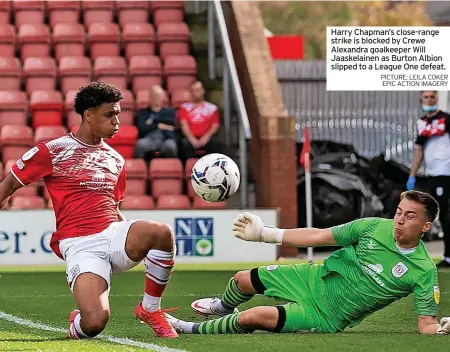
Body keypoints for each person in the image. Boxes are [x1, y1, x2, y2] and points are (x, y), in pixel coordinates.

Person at [0, 82, 178, 338]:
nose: (116, 121)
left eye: (118, 114)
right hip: (80, 244)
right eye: (109, 115)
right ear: (88, 115)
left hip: (113, 233)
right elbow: (6, 186)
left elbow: (114, 208)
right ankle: (79, 320)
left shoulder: (115, 159)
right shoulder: (53, 151)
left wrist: (129, 239)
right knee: (94, 323)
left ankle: (150, 309)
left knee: (161, 232)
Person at [166, 190, 450, 336]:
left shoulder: (423, 271)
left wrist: (439, 330)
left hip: (326, 315)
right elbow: (319, 235)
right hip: (313, 277)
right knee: (242, 279)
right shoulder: (373, 227)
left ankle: (185, 327)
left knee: (251, 318)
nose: (399, 221)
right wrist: (266, 234)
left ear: (426, 227)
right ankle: (221, 307)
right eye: (399, 212)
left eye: (410, 217)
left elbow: (426, 324)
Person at [407, 90, 450, 268]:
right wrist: (412, 174)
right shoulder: (421, 123)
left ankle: (448, 256)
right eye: (426, 97)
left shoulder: (446, 119)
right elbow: (419, 150)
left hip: (446, 172)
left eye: (432, 97)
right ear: (421, 100)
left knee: (446, 214)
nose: (429, 100)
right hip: (432, 174)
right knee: (438, 215)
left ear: (437, 99)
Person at [178, 81, 221, 163]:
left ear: (202, 91)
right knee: (184, 144)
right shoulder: (184, 107)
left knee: (216, 144)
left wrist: (206, 137)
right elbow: (184, 124)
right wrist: (192, 139)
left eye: (197, 90)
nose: (195, 93)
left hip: (207, 137)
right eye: (193, 91)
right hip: (190, 138)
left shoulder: (212, 108)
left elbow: (215, 125)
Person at [134, 85, 178, 159]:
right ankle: (141, 168)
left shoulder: (170, 112)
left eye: (158, 95)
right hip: (148, 139)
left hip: (165, 139)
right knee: (139, 145)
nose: (155, 98)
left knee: (171, 146)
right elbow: (142, 128)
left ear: (162, 97)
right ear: (150, 97)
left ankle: (172, 167)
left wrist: (152, 123)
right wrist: (159, 125)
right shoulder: (143, 112)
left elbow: (171, 124)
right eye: (153, 95)